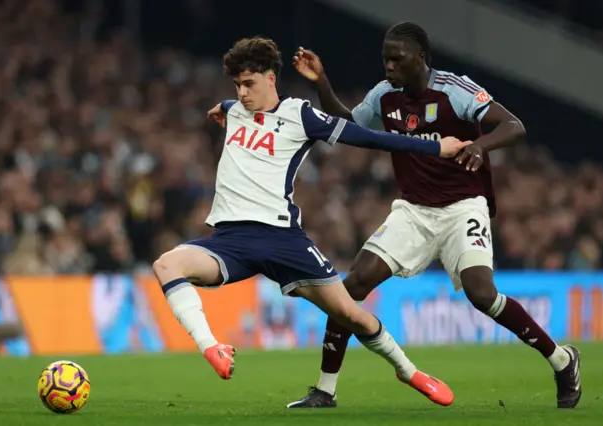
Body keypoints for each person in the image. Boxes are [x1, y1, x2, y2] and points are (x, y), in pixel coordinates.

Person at [152, 36, 469, 405]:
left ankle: (409, 370)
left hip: (283, 240)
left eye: (249, 83)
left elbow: (367, 138)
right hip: (229, 240)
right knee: (166, 264)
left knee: (350, 314)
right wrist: (222, 106)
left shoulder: (300, 115)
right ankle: (212, 348)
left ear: (271, 78)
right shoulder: (235, 109)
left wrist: (435, 147)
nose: (241, 93)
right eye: (236, 85)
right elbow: (230, 105)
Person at [287, 22, 581, 409]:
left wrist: (479, 145)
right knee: (352, 285)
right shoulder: (384, 95)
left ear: (420, 58)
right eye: (385, 59)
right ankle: (325, 390)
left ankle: (562, 360)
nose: (389, 66)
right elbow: (350, 127)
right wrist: (322, 82)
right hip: (414, 211)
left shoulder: (454, 90)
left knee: (482, 295)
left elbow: (514, 125)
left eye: (397, 59)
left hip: (463, 207)